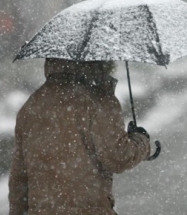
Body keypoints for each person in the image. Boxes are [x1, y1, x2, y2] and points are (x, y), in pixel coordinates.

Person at [9, 59, 151, 215]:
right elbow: (118, 157)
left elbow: (19, 177)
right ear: (101, 61)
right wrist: (141, 141)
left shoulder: (33, 105)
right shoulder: (99, 100)